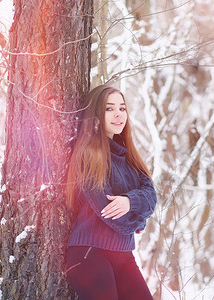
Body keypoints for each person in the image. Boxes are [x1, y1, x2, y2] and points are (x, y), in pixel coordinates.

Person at [65, 84, 157, 300]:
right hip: (89, 254)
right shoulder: (89, 154)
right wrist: (141, 221)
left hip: (123, 255)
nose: (118, 114)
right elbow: (112, 216)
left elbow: (151, 196)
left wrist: (129, 201)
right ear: (96, 115)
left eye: (122, 108)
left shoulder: (129, 157)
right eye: (109, 109)